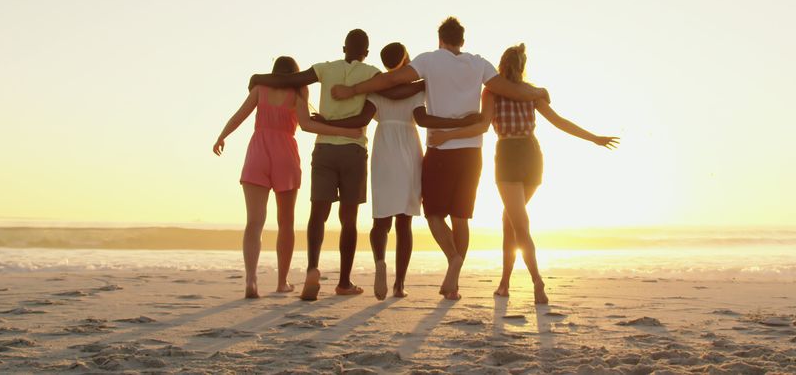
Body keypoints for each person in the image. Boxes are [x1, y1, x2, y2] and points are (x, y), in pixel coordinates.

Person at [331, 17, 548, 300]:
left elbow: (393, 78)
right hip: (472, 151)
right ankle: (453, 284)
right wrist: (538, 92)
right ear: (462, 41)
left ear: (440, 40)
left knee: (434, 214)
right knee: (461, 218)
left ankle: (452, 258)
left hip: (439, 148)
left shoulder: (429, 60)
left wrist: (351, 90)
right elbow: (509, 89)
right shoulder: (479, 63)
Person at [430, 43, 619, 304]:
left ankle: (537, 281)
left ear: (502, 65)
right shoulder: (531, 93)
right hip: (532, 154)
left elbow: (483, 126)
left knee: (519, 223)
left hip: (509, 155)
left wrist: (447, 135)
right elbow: (560, 121)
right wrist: (594, 138)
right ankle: (505, 283)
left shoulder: (491, 93)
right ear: (522, 67)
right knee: (510, 219)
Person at [249, 29, 414, 301]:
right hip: (354, 149)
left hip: (324, 148)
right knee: (348, 219)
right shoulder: (372, 73)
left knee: (318, 213)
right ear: (367, 52)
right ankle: (344, 282)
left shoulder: (325, 69)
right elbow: (396, 91)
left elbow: (291, 79)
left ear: (343, 48)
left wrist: (258, 78)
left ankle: (313, 268)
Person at [213, 56, 364, 299]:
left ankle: (251, 280)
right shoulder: (297, 93)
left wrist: (222, 136)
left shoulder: (260, 89)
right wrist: (344, 131)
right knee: (286, 222)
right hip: (285, 155)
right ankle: (282, 282)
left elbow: (239, 115)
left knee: (254, 222)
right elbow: (307, 126)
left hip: (258, 152)